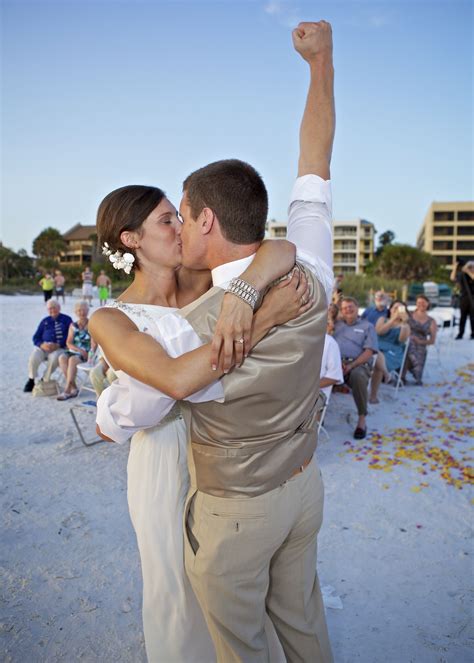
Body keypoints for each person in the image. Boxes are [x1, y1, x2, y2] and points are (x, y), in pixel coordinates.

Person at [92, 20, 335, 663]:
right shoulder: (303, 271)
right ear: (131, 241)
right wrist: (321, 66)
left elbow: (268, 248)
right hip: (283, 482)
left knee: (236, 634)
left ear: (205, 220)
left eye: (179, 213)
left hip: (233, 496)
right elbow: (312, 178)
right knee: (232, 608)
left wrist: (257, 288)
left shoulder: (205, 310)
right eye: (161, 218)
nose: (174, 225)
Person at [334, 296, 378, 439]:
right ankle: (315, 415)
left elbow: (369, 351)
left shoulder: (367, 326)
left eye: (351, 306)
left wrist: (351, 365)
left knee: (358, 375)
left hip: (357, 364)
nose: (348, 309)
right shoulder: (336, 325)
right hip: (336, 363)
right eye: (345, 307)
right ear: (341, 311)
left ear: (358, 308)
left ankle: (361, 420)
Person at [24, 300, 72, 392]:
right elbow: (36, 337)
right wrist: (42, 345)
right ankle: (31, 379)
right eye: (50, 308)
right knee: (34, 356)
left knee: (55, 357)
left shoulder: (67, 319)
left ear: (59, 308)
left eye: (54, 307)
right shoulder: (45, 321)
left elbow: (70, 336)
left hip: (60, 348)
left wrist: (58, 344)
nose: (52, 310)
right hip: (44, 348)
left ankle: (44, 379)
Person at [369, 300, 410, 403]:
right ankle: (386, 374)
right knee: (377, 356)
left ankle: (373, 395)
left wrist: (403, 323)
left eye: (400, 308)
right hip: (376, 347)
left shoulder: (406, 326)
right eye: (395, 308)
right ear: (390, 309)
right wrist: (392, 320)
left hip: (393, 352)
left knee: (377, 361)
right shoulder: (382, 319)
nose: (397, 310)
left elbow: (402, 340)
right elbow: (379, 331)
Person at [57, 301, 93, 400]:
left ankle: (67, 390)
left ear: (88, 311)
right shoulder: (73, 325)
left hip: (87, 353)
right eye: (79, 310)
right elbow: (68, 343)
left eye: (84, 310)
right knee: (62, 357)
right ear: (76, 312)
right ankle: (74, 387)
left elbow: (94, 343)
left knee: (72, 360)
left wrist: (87, 353)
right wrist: (79, 350)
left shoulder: (92, 324)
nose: (82, 312)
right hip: (75, 350)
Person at [403, 294, 437, 385]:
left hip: (421, 344)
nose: (421, 304)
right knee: (409, 344)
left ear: (428, 304)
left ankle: (405, 374)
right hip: (406, 340)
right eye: (419, 302)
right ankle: (410, 373)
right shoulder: (409, 314)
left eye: (423, 302)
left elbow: (432, 341)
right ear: (416, 303)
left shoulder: (431, 321)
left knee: (414, 349)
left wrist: (419, 341)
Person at [451, 259, 474, 339]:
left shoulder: (471, 274)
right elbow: (452, 278)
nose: (470, 268)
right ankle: (460, 333)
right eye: (469, 266)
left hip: (473, 298)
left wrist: (468, 271)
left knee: (473, 317)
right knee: (462, 317)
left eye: (472, 267)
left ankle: (473, 334)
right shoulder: (462, 275)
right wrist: (455, 267)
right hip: (464, 298)